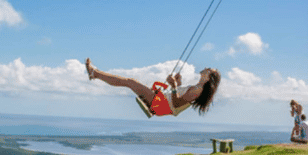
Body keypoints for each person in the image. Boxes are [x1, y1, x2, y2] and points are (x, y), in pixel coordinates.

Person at [85, 58, 220, 116]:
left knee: (130, 82)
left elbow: (177, 103)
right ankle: (95, 73)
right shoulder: (197, 87)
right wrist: (178, 84)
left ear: (209, 78)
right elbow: (180, 98)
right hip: (162, 103)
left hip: (161, 105)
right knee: (130, 82)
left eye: (209, 70)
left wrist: (173, 86)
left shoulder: (198, 89)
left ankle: (95, 73)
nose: (206, 68)